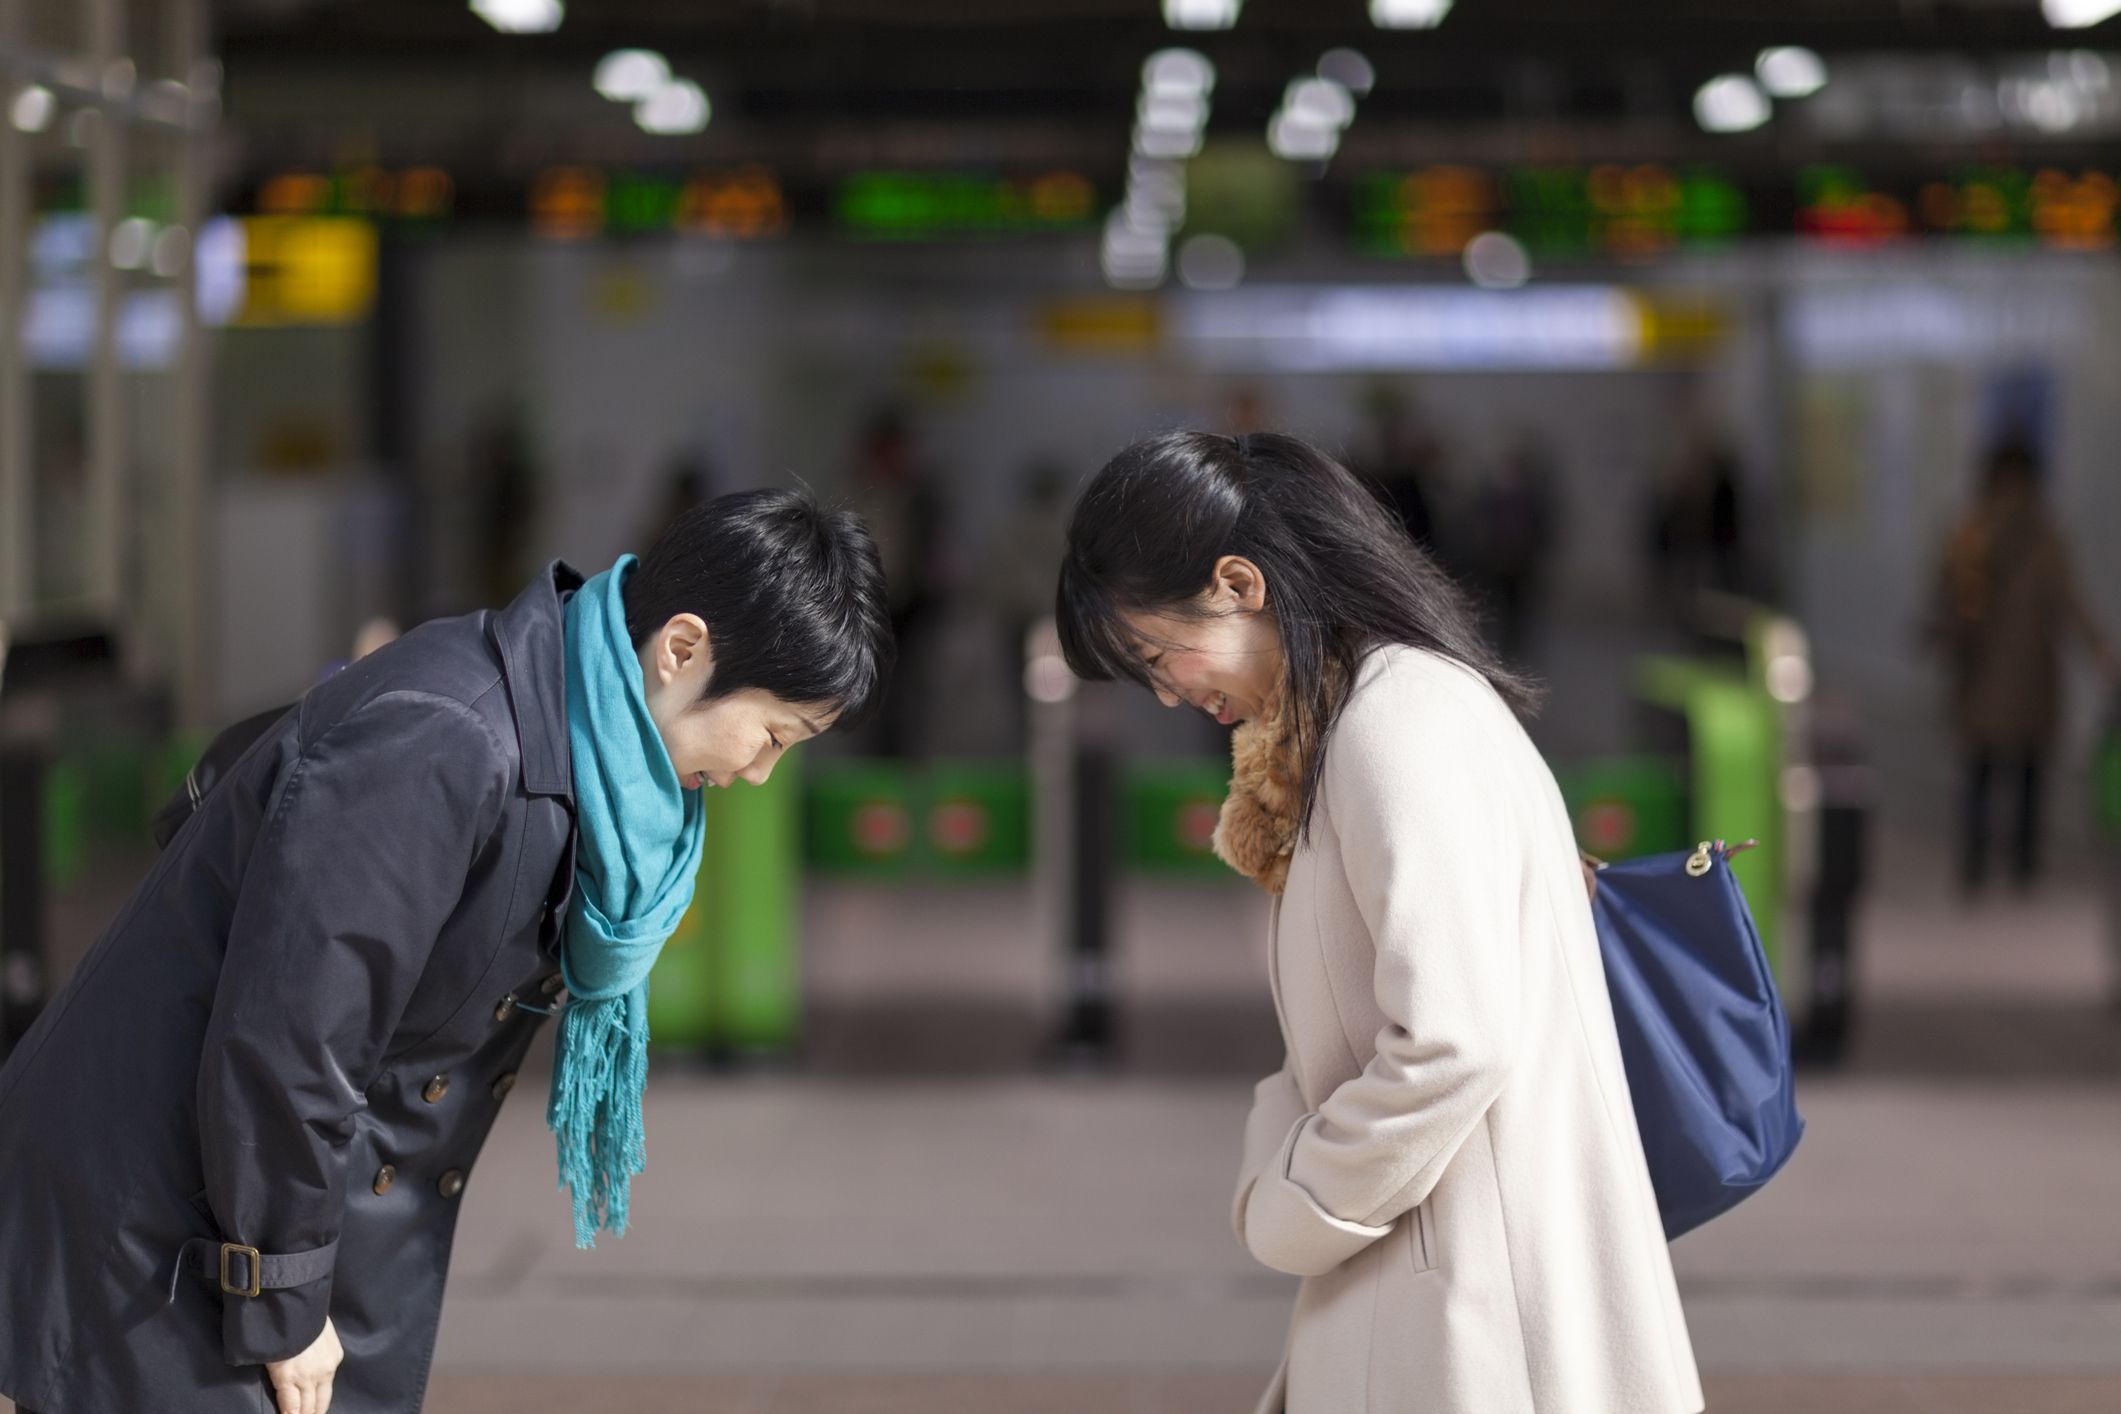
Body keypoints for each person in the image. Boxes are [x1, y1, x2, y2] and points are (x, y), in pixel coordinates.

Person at [0, 489, 892, 1414]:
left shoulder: (569, 736)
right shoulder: (447, 736)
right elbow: (293, 1035)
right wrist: (285, 1294)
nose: (757, 773)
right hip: (164, 1231)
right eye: (774, 733)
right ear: (680, 649)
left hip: (242, 1199)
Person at [1055, 431, 1701, 1414]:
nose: (1167, 691)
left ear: (1238, 583)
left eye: (1155, 653)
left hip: (1479, 1326)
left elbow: (1454, 1038)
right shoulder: (1377, 715)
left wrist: (1297, 1198)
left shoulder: (1399, 725)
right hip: (1448, 1290)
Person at [1928, 441, 2117, 894]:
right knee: (2028, 773)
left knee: (1980, 771)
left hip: (1982, 676)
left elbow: (1943, 595)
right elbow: (2071, 602)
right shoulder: (2045, 535)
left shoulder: (1968, 533)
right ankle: (2023, 867)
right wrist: (2100, 650)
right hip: (2032, 677)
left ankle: (1974, 865)